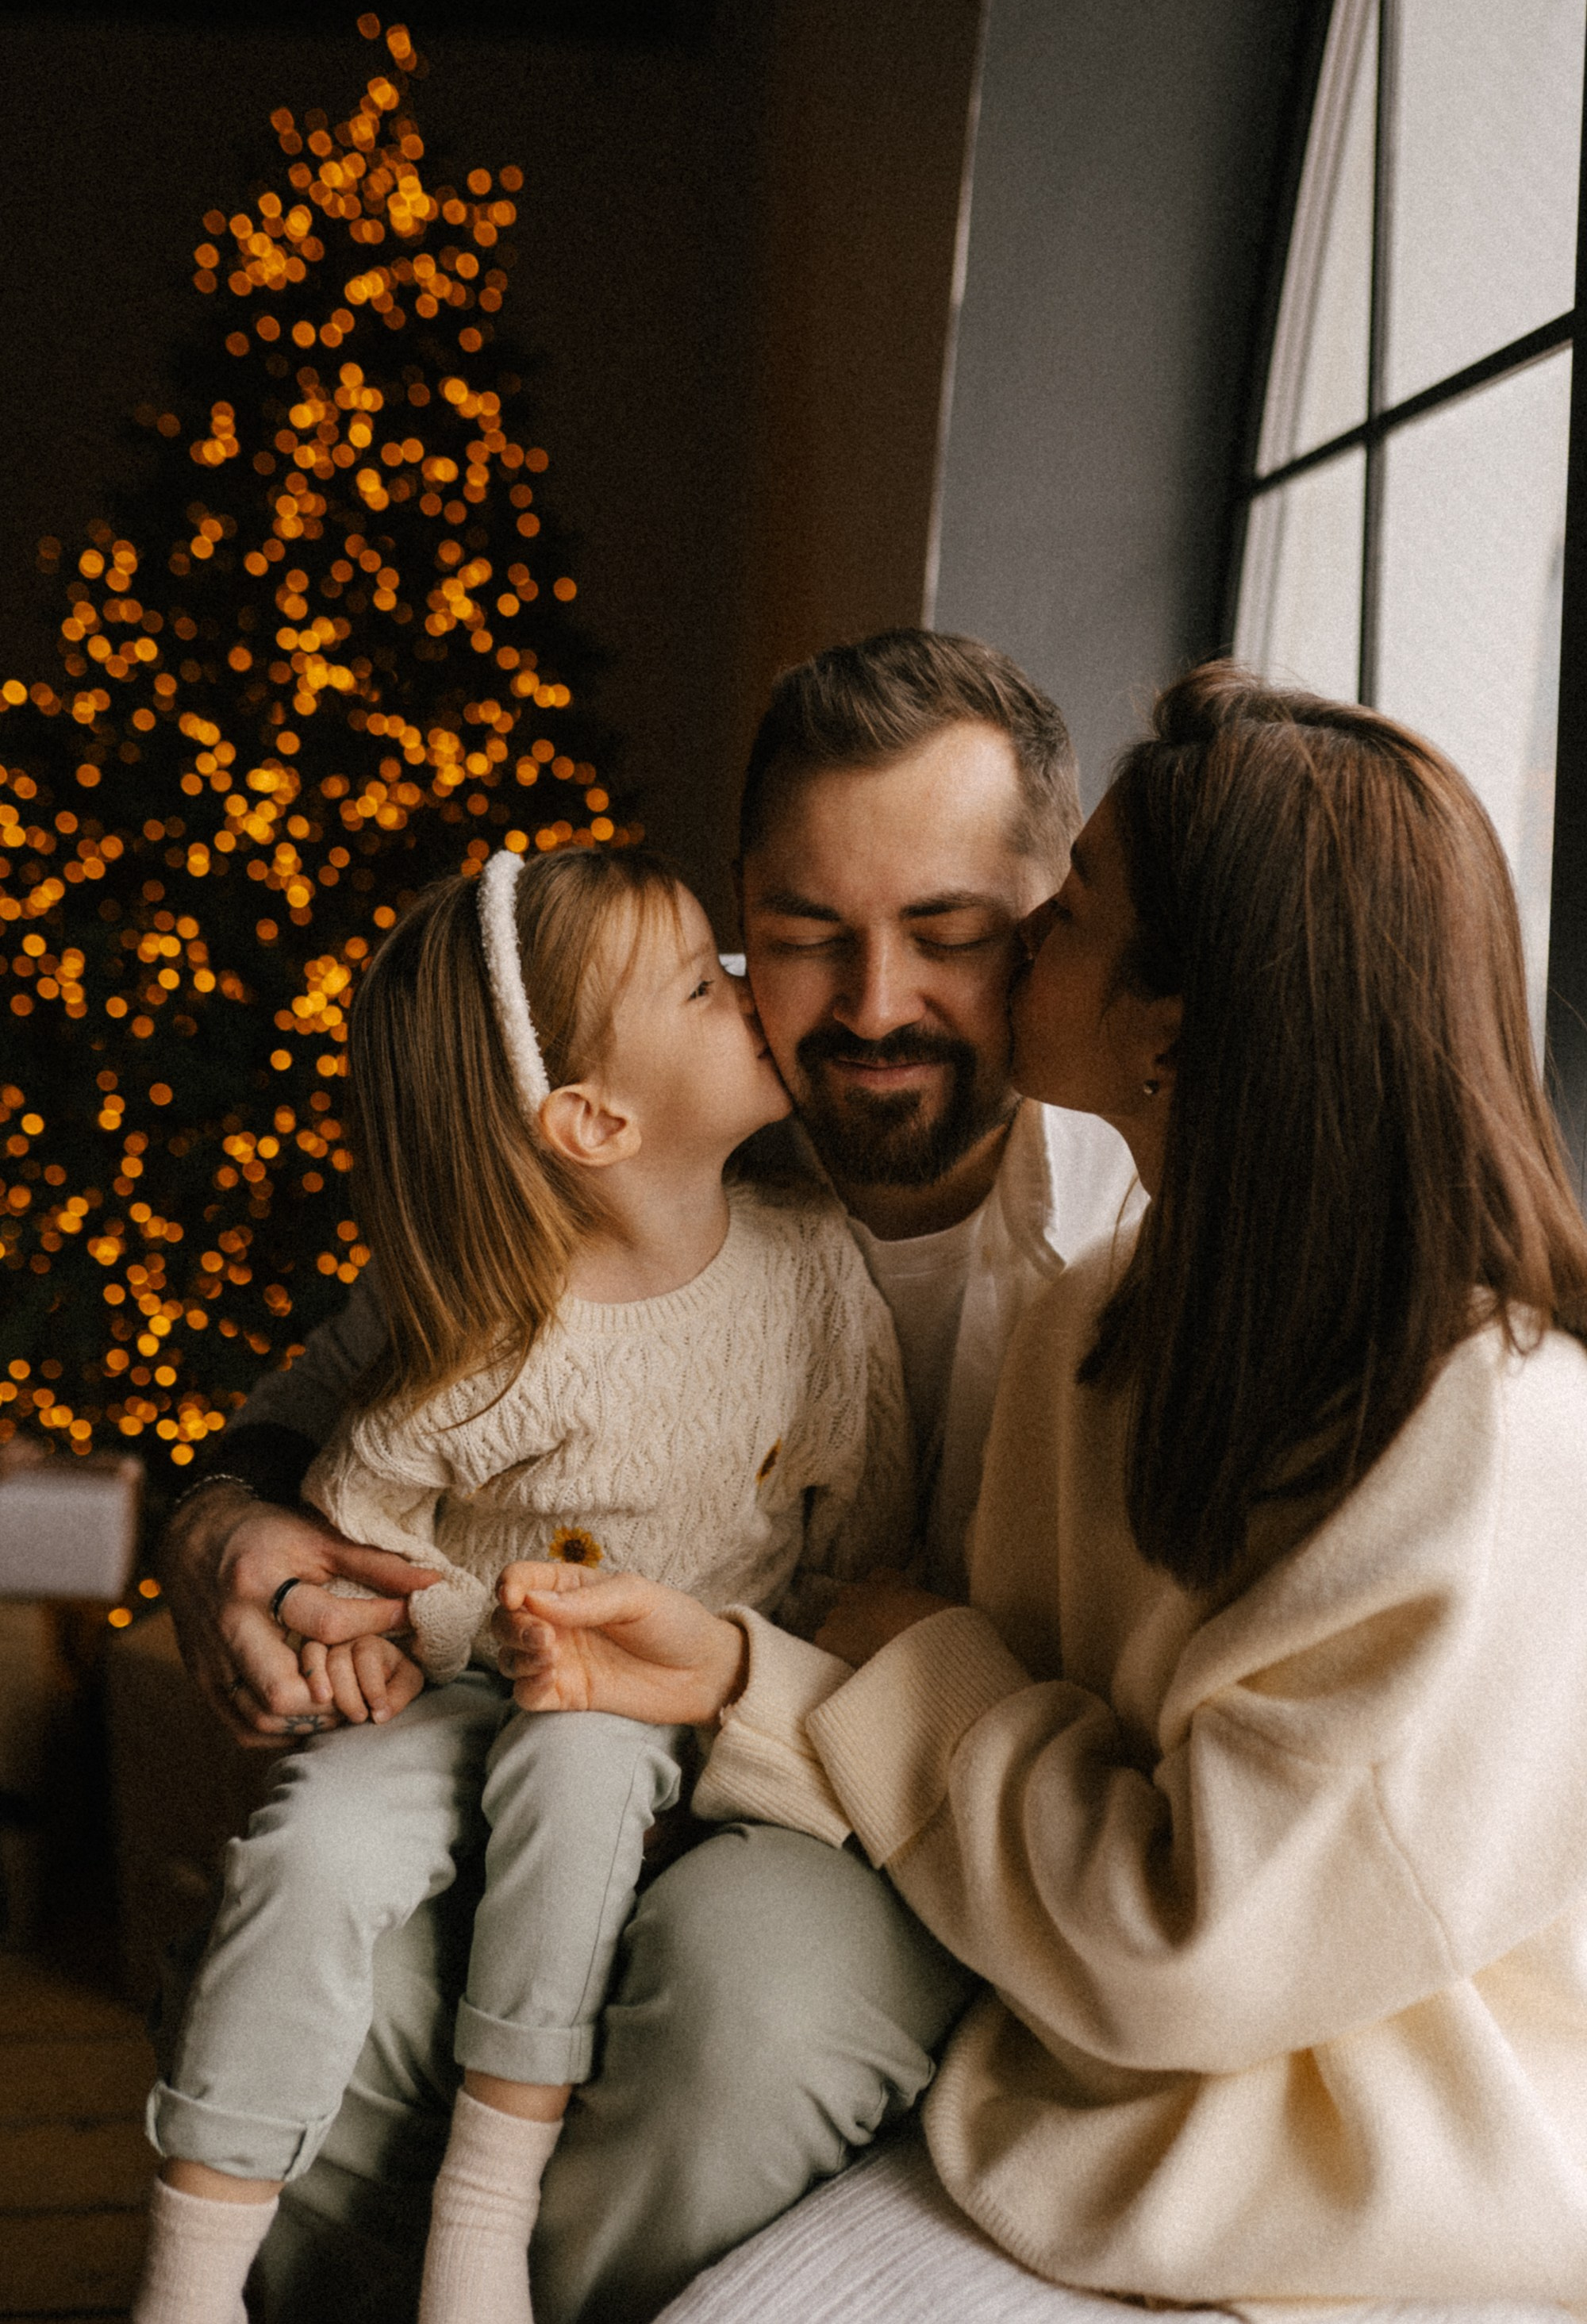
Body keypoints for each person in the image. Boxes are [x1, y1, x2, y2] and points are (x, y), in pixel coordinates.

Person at [502, 665, 1587, 2314]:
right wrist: (751, 1672)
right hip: (1098, 2070)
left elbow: (1180, 1934)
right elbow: (1012, 1724)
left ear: (1170, 1022)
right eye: (804, 930)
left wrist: (893, 1658)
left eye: (1052, 914)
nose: (1008, 962)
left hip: (1387, 2167)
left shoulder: (1494, 1433)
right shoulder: (1111, 1320)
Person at [159, 629, 1139, 2322]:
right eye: (801, 937)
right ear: (736, 919)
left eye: (948, 936)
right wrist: (225, 1524)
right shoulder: (618, 1188)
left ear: (1047, 931)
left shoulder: (1127, 1238)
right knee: (345, 1973)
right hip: (540, 1728)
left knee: (742, 2013)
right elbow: (333, 1400)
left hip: (873, 1809)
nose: (873, 1004)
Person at [134, 844, 913, 2324]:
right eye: (707, 978)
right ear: (594, 1118)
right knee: (311, 1850)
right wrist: (359, 1616)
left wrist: (744, 1675)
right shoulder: (494, 1324)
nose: (753, 992)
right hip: (465, 1690)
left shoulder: (813, 1273)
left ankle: (480, 2232)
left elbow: (855, 1535)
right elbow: (355, 1511)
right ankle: (187, 2282)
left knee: (579, 1758)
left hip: (687, 1709)